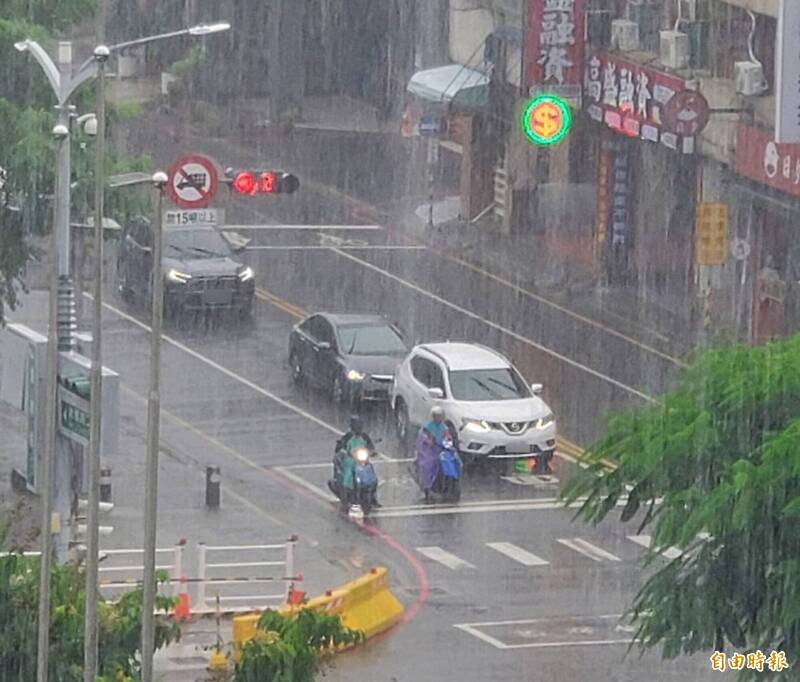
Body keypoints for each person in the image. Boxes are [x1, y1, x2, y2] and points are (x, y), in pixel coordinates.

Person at [332, 416, 380, 508]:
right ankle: (345, 496)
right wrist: (343, 451)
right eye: (356, 425)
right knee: (348, 473)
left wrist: (372, 451)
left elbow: (370, 447)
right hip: (351, 459)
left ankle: (373, 497)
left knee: (371, 474)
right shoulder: (348, 437)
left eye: (360, 425)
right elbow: (340, 447)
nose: (358, 427)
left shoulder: (364, 436)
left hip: (362, 460)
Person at [416, 406, 449, 503]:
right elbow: (423, 439)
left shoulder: (444, 427)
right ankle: (427, 488)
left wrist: (447, 444)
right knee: (427, 465)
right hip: (428, 451)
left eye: (440, 416)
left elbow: (447, 438)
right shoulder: (427, 427)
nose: (438, 418)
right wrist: (429, 441)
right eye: (437, 416)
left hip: (440, 449)